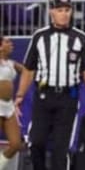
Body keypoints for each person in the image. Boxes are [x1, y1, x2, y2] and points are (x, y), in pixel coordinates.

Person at [14, 0, 85, 170]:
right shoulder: (39, 37)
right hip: (43, 97)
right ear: (51, 12)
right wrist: (19, 96)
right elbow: (29, 69)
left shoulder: (81, 38)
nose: (64, 14)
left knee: (60, 150)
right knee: (36, 143)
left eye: (67, 10)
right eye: (59, 10)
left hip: (67, 99)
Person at [0, 36, 23, 169]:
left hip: (8, 107)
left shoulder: (11, 63)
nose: (11, 44)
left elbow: (28, 72)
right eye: (7, 42)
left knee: (16, 144)